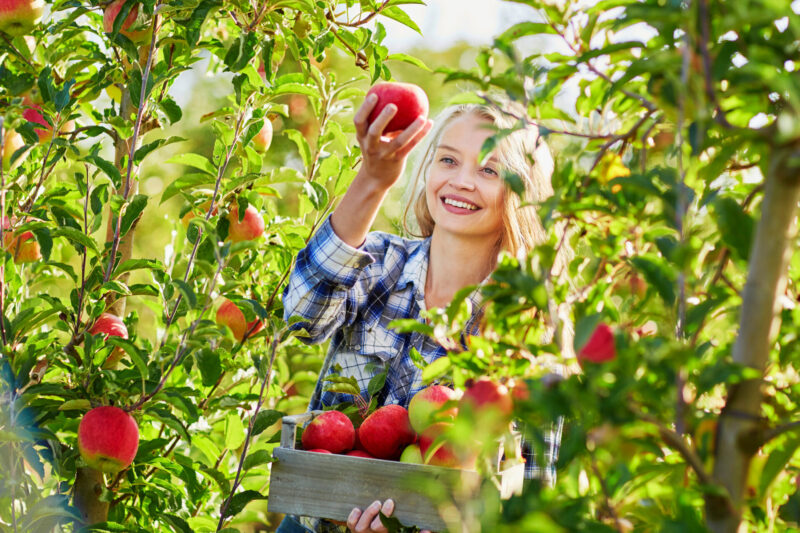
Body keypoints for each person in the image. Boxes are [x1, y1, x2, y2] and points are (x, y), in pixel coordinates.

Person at [277, 93, 571, 533]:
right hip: (317, 522)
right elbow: (302, 317)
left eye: (489, 170)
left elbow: (530, 494)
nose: (462, 181)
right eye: (448, 160)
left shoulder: (529, 328)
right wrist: (373, 179)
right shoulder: (377, 264)